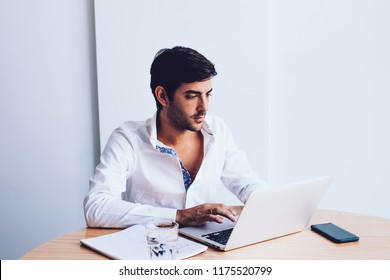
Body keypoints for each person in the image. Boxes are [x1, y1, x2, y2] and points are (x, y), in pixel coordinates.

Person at [84, 46, 267, 228]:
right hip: (153, 248)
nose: (204, 106)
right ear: (163, 96)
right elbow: (96, 207)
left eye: (207, 94)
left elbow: (247, 184)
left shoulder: (218, 130)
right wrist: (178, 216)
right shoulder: (128, 139)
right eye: (192, 96)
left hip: (207, 250)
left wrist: (267, 205)